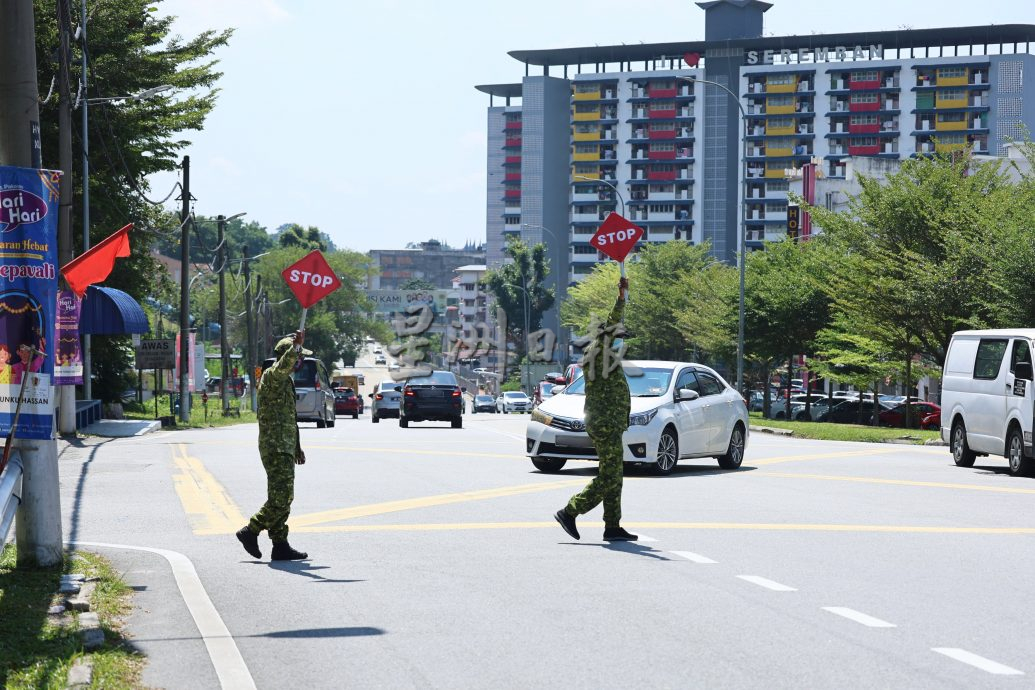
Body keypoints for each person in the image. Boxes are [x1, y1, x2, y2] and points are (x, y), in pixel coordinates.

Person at [554, 276, 637, 542]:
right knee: (611, 476)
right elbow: (612, 327)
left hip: (611, 424)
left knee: (613, 473)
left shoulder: (609, 359)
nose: (622, 343)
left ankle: (612, 526)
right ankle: (570, 510)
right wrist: (621, 299)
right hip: (604, 424)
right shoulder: (599, 352)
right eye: (620, 338)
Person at [236, 330, 311, 561]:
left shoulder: (285, 381)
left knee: (284, 496)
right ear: (287, 356)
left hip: (284, 446)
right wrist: (295, 348)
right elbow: (283, 366)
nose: (300, 362)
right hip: (275, 446)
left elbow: (288, 417)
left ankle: (280, 544)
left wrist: (296, 447)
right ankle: (251, 529)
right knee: (281, 498)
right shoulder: (272, 375)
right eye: (298, 358)